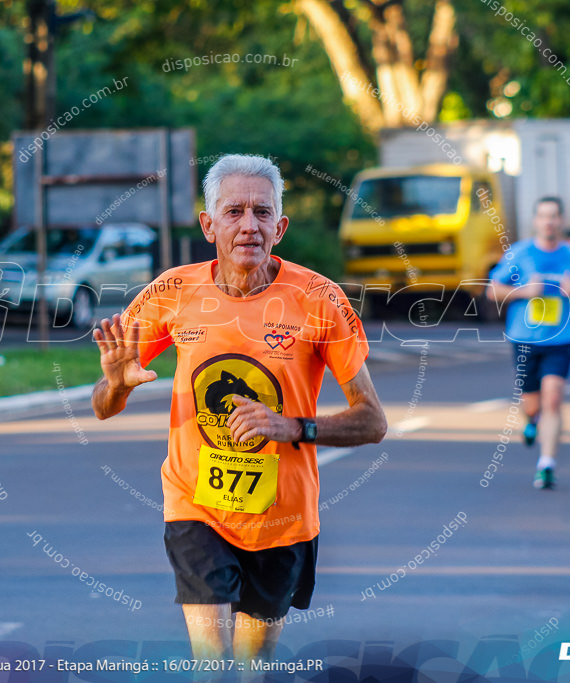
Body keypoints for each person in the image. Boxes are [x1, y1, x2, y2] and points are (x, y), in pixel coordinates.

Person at [91, 154, 387, 668]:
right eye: (233, 212)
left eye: (262, 212)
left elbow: (373, 420)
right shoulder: (172, 292)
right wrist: (115, 385)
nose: (248, 224)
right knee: (212, 663)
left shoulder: (319, 299)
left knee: (252, 669)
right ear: (209, 225)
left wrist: (290, 427)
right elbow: (102, 405)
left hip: (284, 519)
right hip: (196, 506)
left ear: (281, 226)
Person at [488, 197, 570, 490]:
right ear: (535, 221)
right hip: (525, 340)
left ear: (561, 221)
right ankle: (531, 421)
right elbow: (491, 291)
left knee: (554, 399)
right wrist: (524, 291)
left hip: (561, 339)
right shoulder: (519, 253)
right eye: (544, 216)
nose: (549, 222)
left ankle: (546, 464)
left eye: (554, 216)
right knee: (531, 404)